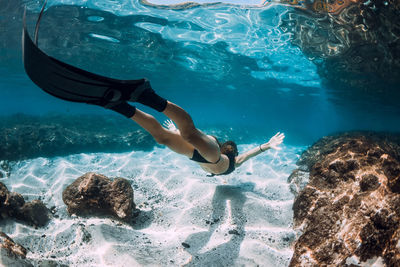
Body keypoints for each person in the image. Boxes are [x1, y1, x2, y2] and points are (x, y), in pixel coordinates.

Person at [116, 84, 285, 176]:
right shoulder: (232, 161)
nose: (233, 150)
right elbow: (251, 153)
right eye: (232, 149)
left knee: (162, 138)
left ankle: (120, 106)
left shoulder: (229, 158)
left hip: (195, 156)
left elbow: (183, 140)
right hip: (213, 156)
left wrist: (175, 131)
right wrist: (268, 145)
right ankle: (148, 96)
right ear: (229, 150)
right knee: (189, 134)